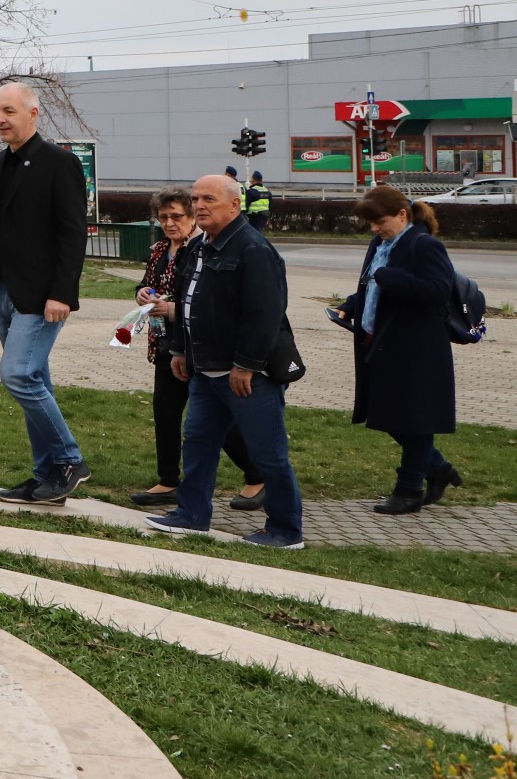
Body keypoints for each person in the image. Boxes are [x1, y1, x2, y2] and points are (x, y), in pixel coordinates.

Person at [146, 175, 306, 548]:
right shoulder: (198, 247)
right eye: (196, 199)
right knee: (198, 442)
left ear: (235, 205)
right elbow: (187, 303)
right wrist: (180, 350)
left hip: (248, 375)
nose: (199, 206)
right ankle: (191, 515)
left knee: (267, 452)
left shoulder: (253, 249)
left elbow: (265, 315)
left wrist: (246, 364)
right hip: (204, 370)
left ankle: (286, 530)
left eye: (209, 199)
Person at [0, 83, 90, 505]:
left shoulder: (60, 162)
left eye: (9, 111)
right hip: (4, 291)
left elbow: (73, 234)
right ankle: (46, 478)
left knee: (18, 375)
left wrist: (62, 294)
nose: (0, 119)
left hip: (42, 297)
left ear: (33, 113)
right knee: (35, 379)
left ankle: (70, 461)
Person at [129, 187, 267, 510]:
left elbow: (209, 303)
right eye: (163, 217)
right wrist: (143, 294)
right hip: (166, 344)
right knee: (165, 413)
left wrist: (172, 310)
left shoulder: (200, 249)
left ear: (191, 217)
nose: (169, 223)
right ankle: (168, 480)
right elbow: (147, 282)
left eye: (176, 216)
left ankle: (259, 476)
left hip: (200, 347)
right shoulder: (160, 250)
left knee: (217, 420)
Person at [331, 186, 463, 514]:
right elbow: (372, 285)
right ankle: (437, 468)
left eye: (380, 222)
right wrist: (350, 305)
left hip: (417, 347)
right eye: (370, 223)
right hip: (382, 342)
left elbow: (438, 291)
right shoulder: (381, 243)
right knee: (387, 413)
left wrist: (390, 277)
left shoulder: (425, 245)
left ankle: (409, 491)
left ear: (402, 215)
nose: (374, 229)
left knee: (415, 420)